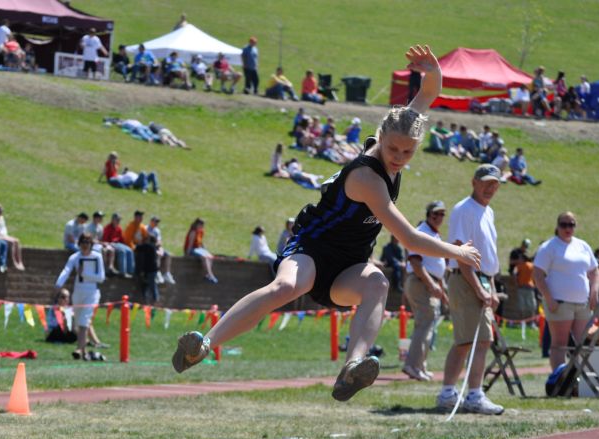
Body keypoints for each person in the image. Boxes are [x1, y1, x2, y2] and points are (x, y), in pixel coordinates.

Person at [172, 46, 481, 404]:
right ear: (380, 138)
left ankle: (352, 369)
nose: (398, 158)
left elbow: (428, 95)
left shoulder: (404, 127)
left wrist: (431, 69)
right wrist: (456, 251)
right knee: (286, 287)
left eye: (407, 153)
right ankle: (204, 345)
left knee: (378, 284)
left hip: (347, 265)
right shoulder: (368, 177)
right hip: (311, 249)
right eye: (393, 150)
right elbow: (408, 237)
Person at [437, 164, 504, 415]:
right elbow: (461, 252)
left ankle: (448, 393)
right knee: (480, 340)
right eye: (486, 182)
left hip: (479, 279)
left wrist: (492, 288)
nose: (491, 188)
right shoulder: (465, 210)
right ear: (474, 182)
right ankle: (473, 395)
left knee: (466, 341)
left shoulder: (487, 212)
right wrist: (479, 287)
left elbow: (488, 257)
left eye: (495, 184)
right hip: (466, 279)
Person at [533, 212, 599, 373]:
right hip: (559, 303)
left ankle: (582, 379)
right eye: (564, 224)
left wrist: (594, 292)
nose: (567, 228)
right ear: (557, 226)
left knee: (582, 343)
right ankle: (559, 380)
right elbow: (537, 275)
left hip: (582, 303)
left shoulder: (583, 246)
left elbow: (595, 272)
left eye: (571, 224)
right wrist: (549, 299)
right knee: (559, 344)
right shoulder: (549, 247)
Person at [402, 201, 448, 381]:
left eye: (442, 214)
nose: (438, 217)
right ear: (428, 214)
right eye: (435, 214)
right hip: (421, 282)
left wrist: (440, 286)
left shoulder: (433, 234)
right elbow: (415, 261)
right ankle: (412, 366)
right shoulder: (421, 231)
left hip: (428, 282)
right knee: (425, 325)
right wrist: (432, 284)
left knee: (426, 325)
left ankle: (420, 365)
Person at [55, 233, 106, 361]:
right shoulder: (75, 257)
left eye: (87, 242)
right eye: (83, 242)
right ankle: (84, 352)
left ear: (91, 244)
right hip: (78, 292)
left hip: (92, 292)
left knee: (84, 322)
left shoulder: (97, 257)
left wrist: (84, 274)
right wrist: (58, 283)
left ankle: (78, 349)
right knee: (78, 322)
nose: (85, 245)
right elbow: (67, 270)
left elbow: (101, 277)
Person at [184, 217, 217, 283]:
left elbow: (200, 242)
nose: (202, 226)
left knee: (210, 256)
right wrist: (187, 253)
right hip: (192, 249)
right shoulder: (193, 232)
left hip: (199, 249)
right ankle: (210, 274)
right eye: (201, 225)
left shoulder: (201, 231)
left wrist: (205, 250)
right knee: (204, 257)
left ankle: (208, 274)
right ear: (197, 224)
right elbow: (190, 244)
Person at [102, 213, 134, 278]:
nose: (118, 221)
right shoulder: (108, 228)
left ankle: (131, 271)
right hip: (110, 243)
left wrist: (125, 245)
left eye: (119, 220)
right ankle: (122, 272)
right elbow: (105, 239)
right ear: (112, 220)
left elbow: (121, 239)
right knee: (122, 251)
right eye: (117, 220)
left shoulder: (119, 228)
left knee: (129, 250)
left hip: (118, 244)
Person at [146, 215, 175, 285]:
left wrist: (159, 247)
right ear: (151, 221)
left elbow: (159, 241)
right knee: (158, 254)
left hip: (156, 247)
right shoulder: (145, 228)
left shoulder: (157, 230)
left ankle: (167, 273)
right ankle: (157, 272)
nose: (156, 223)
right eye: (155, 221)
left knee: (168, 255)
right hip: (148, 248)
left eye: (157, 222)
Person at [86, 210, 117, 276]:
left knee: (111, 250)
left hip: (99, 244)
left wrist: (103, 243)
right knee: (104, 251)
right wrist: (101, 243)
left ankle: (111, 267)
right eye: (99, 217)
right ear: (95, 218)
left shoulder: (100, 227)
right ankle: (103, 269)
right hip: (91, 245)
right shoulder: (89, 227)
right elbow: (90, 239)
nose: (101, 219)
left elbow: (101, 238)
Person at [0, 203, 24, 270]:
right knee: (12, 242)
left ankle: (19, 261)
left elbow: (3, 229)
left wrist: (6, 236)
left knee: (16, 241)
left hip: (4, 235)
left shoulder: (1, 218)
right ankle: (13, 261)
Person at [135, 235, 160, 303]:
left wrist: (139, 242)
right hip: (150, 270)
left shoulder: (149, 246)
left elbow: (137, 248)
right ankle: (147, 301)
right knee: (147, 285)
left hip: (150, 270)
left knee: (152, 286)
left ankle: (154, 301)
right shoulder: (153, 247)